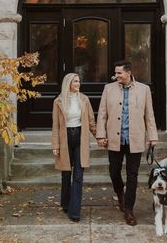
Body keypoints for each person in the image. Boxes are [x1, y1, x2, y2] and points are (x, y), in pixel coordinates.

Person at [96, 60, 158, 226]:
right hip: (114, 139)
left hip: (135, 139)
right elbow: (102, 114)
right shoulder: (108, 89)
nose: (116, 76)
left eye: (119, 73)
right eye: (115, 73)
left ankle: (129, 209)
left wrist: (152, 136)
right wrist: (100, 135)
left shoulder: (144, 90)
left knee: (133, 175)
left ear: (128, 73)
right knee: (114, 172)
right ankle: (120, 194)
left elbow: (149, 115)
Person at [52, 73, 96, 222]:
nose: (78, 83)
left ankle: (74, 211)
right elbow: (56, 126)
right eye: (75, 81)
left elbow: (91, 121)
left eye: (79, 81)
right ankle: (65, 203)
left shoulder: (84, 99)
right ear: (68, 83)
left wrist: (100, 137)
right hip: (65, 139)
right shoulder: (58, 101)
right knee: (66, 174)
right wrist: (56, 145)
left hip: (80, 137)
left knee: (78, 174)